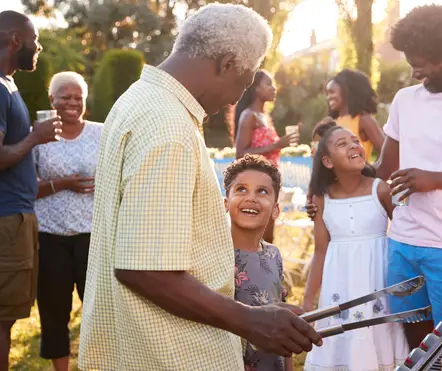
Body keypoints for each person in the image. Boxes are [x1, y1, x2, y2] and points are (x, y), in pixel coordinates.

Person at [78, 4, 321, 371]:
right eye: (244, 81)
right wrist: (250, 321)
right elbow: (144, 269)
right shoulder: (168, 128)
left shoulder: (139, 100)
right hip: (166, 353)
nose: (236, 99)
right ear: (226, 64)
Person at [306, 4, 442, 351]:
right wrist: (327, 193)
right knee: (414, 346)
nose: (411, 66)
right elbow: (383, 170)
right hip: (403, 244)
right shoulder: (406, 100)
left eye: (418, 58)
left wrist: (434, 179)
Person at [0, 10, 62, 371]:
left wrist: (30, 138)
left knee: (7, 315)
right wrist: (35, 138)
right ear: (16, 40)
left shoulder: (4, 83)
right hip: (3, 218)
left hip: (14, 216)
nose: (38, 48)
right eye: (35, 40)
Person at [302, 126, 409, 371]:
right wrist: (308, 299)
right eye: (342, 143)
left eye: (355, 140)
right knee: (343, 340)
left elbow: (405, 234)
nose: (353, 145)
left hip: (377, 281)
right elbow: (320, 251)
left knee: (377, 335)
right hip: (340, 284)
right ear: (327, 161)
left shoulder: (380, 188)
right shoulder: (321, 199)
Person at [33, 71, 103, 371]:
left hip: (93, 236)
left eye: (79, 97)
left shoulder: (102, 132)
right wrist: (62, 184)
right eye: (65, 97)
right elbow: (23, 187)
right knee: (54, 311)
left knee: (99, 312)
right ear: (52, 100)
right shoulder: (37, 135)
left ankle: (99, 365)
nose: (73, 103)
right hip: (50, 237)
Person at [224, 154, 293, 371]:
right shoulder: (216, 256)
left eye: (262, 191)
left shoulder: (274, 255)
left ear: (275, 209)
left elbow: (283, 323)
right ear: (226, 203)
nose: (251, 198)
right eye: (241, 189)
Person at [234, 69, 299, 243]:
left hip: (270, 182)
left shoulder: (265, 117)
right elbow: (240, 153)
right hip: (256, 185)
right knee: (258, 238)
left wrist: (282, 144)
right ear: (256, 89)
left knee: (268, 237)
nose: (274, 88)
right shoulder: (249, 116)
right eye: (269, 84)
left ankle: (266, 269)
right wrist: (276, 145)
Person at [326, 69, 384, 158]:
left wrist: (373, 169)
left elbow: (386, 151)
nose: (328, 97)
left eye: (332, 92)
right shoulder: (333, 122)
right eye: (327, 93)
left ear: (347, 91)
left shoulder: (363, 119)